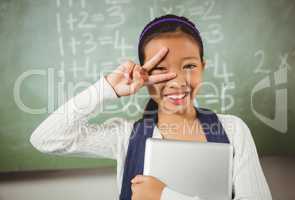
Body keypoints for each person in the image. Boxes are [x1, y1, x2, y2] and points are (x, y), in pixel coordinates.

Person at [30, 14, 272, 200]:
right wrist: (107, 89)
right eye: (160, 70)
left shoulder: (233, 130)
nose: (177, 82)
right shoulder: (126, 136)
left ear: (203, 67)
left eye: (189, 66)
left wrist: (164, 195)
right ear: (143, 75)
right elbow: (46, 138)